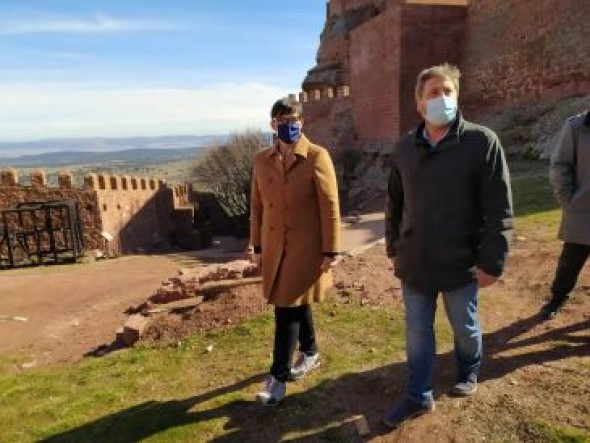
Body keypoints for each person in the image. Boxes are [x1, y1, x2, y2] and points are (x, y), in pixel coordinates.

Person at [383, 63, 513, 428]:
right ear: (419, 104)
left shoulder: (481, 142)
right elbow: (394, 202)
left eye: (448, 91)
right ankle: (418, 395)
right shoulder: (404, 148)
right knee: (417, 332)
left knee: (465, 327)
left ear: (457, 96)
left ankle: (468, 369)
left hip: (462, 262)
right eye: (433, 93)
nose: (442, 98)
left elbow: (499, 207)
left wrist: (493, 261)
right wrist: (393, 246)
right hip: (415, 261)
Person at [249, 97, 341, 406]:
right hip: (274, 249)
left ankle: (277, 378)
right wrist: (257, 246)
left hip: (305, 249)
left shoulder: (317, 156)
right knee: (296, 303)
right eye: (282, 121)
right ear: (272, 125)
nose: (289, 126)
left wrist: (331, 251)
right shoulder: (261, 160)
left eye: (294, 120)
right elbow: (257, 207)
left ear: (302, 122)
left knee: (285, 308)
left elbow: (330, 207)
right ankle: (311, 352)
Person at [541, 110, 590, 320]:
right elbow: (560, 164)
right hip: (583, 211)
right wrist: (568, 200)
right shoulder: (578, 126)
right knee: (570, 261)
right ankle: (557, 299)